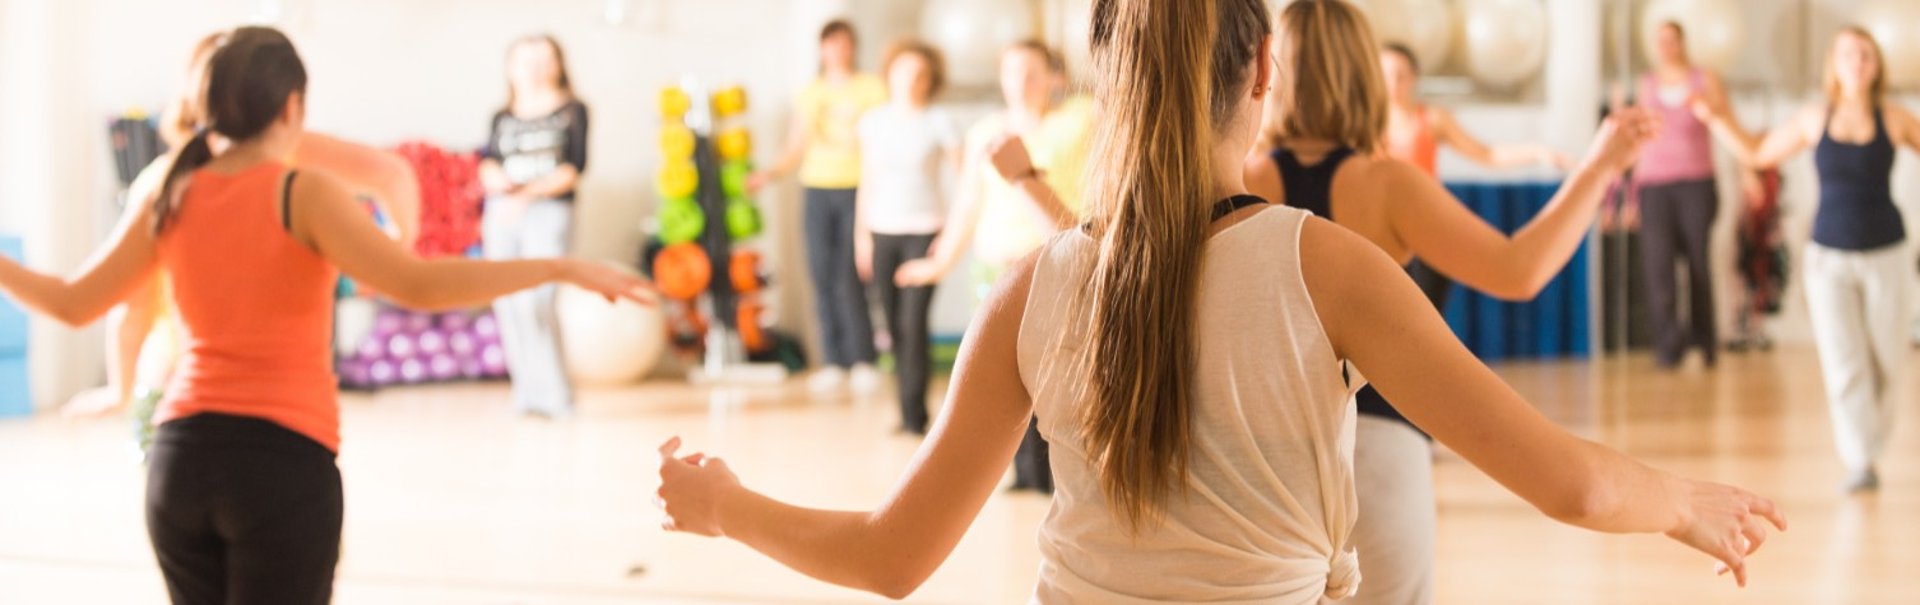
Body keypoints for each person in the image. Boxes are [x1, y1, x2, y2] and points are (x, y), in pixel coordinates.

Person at [653, 1, 1783, 602]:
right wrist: (1685, 498)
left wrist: (726, 505)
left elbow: (891, 558)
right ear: (1260, 76)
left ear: (1109, 86)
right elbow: (1573, 482)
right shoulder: (1326, 261)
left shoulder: (1027, 292)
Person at [0, 27, 650, 604]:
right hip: (278, 466)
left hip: (179, 465)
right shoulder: (301, 190)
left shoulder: (167, 191)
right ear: (292, 107)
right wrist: (559, 266)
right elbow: (419, 284)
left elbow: (70, 301)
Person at [1242, 2, 1666, 603]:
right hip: (1382, 453)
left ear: (1268, 72)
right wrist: (1599, 168)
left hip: (1265, 457)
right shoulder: (1389, 185)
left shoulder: (1240, 181)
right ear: (1365, 74)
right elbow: (1519, 270)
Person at [63, 31, 424, 422]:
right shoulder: (290, 153)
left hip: (180, 393)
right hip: (281, 405)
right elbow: (392, 176)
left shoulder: (162, 184)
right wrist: (393, 253)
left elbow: (131, 306)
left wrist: (119, 389)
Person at [1693, 27, 1916, 493]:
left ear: (1876, 65)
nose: (1858, 62)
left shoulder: (1894, 119)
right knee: (1844, 361)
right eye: (1848, 55)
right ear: (1833, 65)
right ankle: (1860, 460)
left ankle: (1869, 444)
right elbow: (1757, 151)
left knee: (1885, 361)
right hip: (1828, 258)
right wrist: (1716, 119)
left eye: (1866, 56)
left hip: (1887, 255)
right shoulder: (1815, 119)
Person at [894, 40, 1093, 493]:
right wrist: (938, 262)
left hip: (1053, 261)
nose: (1021, 82)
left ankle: (1053, 476)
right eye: (1012, 72)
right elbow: (967, 204)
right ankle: (1024, 472)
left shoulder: (1079, 121)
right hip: (994, 269)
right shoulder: (984, 132)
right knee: (1006, 376)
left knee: (1056, 372)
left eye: (1032, 72)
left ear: (1052, 77)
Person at [751, 19, 889, 395]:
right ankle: (833, 360)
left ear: (853, 47)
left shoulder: (872, 89)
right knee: (821, 273)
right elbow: (796, 144)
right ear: (822, 49)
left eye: (845, 43)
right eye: (831, 44)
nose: (838, 51)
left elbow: (883, 138)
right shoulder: (810, 93)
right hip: (816, 188)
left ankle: (863, 358)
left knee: (850, 275)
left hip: (858, 188)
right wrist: (769, 173)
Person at [1379, 42, 1572, 307]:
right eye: (1386, 74)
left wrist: (1537, 152)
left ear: (1413, 77)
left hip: (1428, 231)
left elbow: (1487, 154)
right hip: (1385, 235)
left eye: (1400, 74)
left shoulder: (1433, 119)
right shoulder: (1366, 125)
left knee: (1427, 313)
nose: (1393, 82)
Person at [478, 33, 592, 418]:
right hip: (501, 214)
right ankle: (527, 394)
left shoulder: (573, 110)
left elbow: (573, 168)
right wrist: (495, 182)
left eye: (545, 59)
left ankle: (557, 396)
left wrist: (525, 197)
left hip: (547, 212)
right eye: (527, 60)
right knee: (507, 303)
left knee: (536, 302)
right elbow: (489, 159)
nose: (536, 68)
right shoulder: (502, 115)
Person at [854, 40, 962, 435]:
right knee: (893, 327)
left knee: (914, 323)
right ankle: (905, 410)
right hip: (882, 231)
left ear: (931, 80)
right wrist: (861, 237)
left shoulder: (940, 121)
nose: (911, 80)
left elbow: (966, 181)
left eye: (921, 74)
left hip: (925, 232)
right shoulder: (872, 122)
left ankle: (918, 416)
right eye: (904, 71)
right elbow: (867, 182)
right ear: (890, 73)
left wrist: (950, 234)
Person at [1631, 21, 1737, 369]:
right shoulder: (1646, 85)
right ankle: (1668, 345)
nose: (1665, 47)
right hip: (1654, 185)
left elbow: (1727, 123)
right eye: (1659, 41)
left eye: (1671, 40)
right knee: (1658, 266)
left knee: (1698, 264)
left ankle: (1706, 342)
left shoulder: (1704, 79)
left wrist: (1710, 108)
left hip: (1696, 183)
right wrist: (1631, 196)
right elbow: (1638, 143)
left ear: (1681, 43)